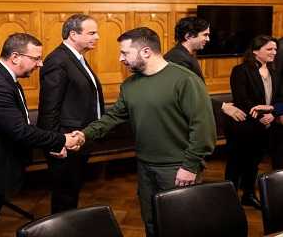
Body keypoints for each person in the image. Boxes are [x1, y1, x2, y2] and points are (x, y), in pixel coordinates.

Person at [72, 27, 216, 237]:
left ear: (146, 52)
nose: (121, 59)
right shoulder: (130, 85)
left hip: (178, 168)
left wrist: (190, 165)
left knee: (181, 225)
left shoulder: (185, 80)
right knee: (151, 222)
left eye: (125, 53)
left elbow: (203, 127)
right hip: (145, 166)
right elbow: (114, 117)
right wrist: (84, 134)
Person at [0, 33, 80, 237]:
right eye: (36, 58)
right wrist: (62, 139)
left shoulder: (2, 77)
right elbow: (20, 130)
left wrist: (52, 144)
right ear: (15, 57)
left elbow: (20, 125)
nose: (40, 64)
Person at [37, 14, 104, 214]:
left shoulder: (76, 58)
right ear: (73, 34)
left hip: (78, 139)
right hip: (66, 141)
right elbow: (49, 106)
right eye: (91, 33)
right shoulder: (58, 60)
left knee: (71, 193)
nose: (97, 37)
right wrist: (55, 142)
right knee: (64, 197)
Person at [225, 35, 281, 208]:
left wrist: (273, 114)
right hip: (244, 125)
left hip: (266, 125)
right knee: (236, 162)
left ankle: (248, 194)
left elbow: (279, 98)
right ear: (256, 51)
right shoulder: (240, 70)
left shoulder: (275, 71)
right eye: (269, 49)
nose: (274, 52)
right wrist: (261, 116)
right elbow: (242, 100)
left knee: (254, 163)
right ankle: (229, 198)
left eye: (275, 49)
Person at [164, 16, 247, 122]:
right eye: (205, 35)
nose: (208, 39)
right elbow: (189, 95)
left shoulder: (184, 55)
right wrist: (223, 106)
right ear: (188, 36)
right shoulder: (178, 58)